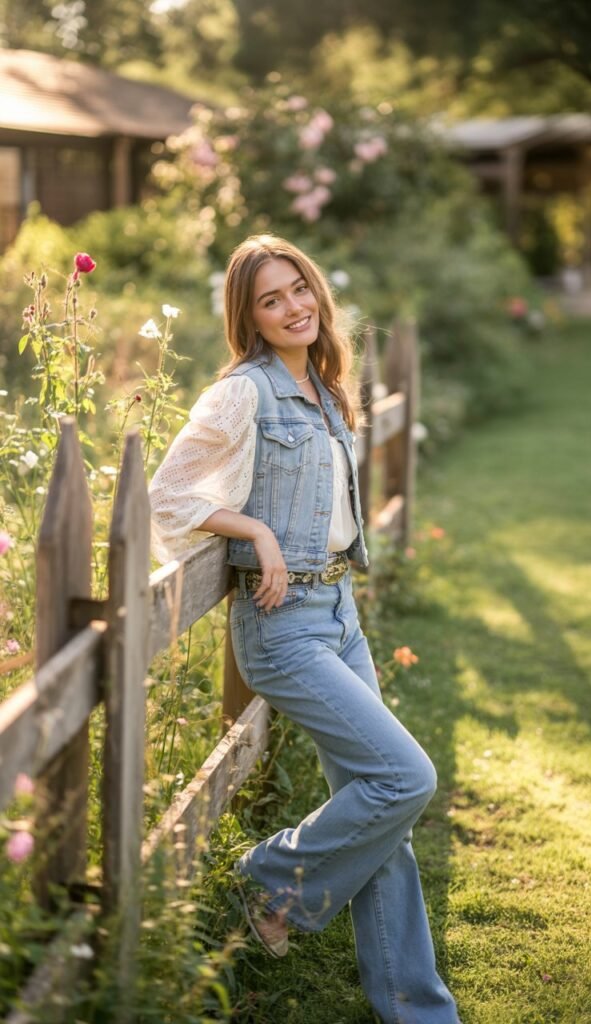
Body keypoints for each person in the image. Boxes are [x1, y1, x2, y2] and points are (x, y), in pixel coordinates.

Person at [148, 235, 460, 1024]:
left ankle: (416, 1008)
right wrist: (254, 532)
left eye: (299, 290)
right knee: (406, 779)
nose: (294, 308)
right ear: (248, 317)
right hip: (283, 629)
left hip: (339, 614)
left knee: (379, 808)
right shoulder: (242, 393)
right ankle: (268, 878)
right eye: (271, 299)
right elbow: (168, 496)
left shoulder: (323, 389)